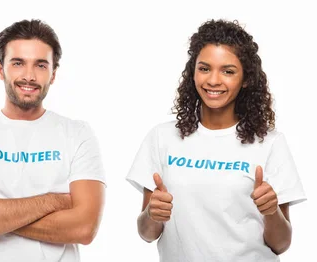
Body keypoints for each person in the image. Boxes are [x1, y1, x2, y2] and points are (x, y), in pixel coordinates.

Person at [126, 19, 306, 262]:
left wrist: (272, 211)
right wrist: (152, 214)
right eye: (204, 68)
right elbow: (147, 233)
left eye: (228, 71)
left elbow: (281, 244)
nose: (213, 80)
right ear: (193, 72)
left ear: (246, 79)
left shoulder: (269, 143)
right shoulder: (162, 138)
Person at [0, 19, 106, 262]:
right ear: (0, 69)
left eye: (40, 65)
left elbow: (84, 228)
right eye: (18, 63)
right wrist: (56, 201)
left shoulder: (78, 134)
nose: (29, 76)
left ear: (53, 74)